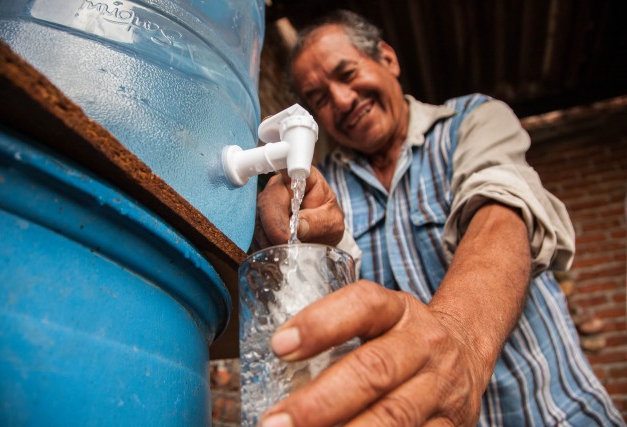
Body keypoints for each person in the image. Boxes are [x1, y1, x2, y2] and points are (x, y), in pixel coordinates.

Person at [254, 9, 625, 427]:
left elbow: (503, 214)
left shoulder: (471, 122)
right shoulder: (327, 186)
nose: (341, 101)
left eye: (347, 73)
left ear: (388, 59)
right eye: (319, 98)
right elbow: (331, 298)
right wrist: (303, 238)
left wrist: (460, 342)